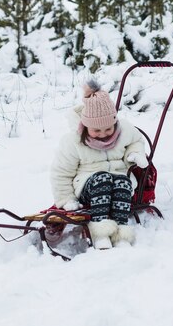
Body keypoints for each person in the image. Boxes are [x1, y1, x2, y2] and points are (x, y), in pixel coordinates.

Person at [50, 81, 147, 249]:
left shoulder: (125, 129)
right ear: (86, 126)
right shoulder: (73, 141)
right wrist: (66, 199)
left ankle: (120, 233)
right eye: (96, 131)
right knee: (102, 178)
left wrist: (135, 153)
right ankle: (100, 233)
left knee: (124, 181)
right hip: (89, 186)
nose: (103, 135)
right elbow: (61, 172)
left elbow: (136, 141)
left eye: (108, 129)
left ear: (115, 122)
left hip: (117, 182)